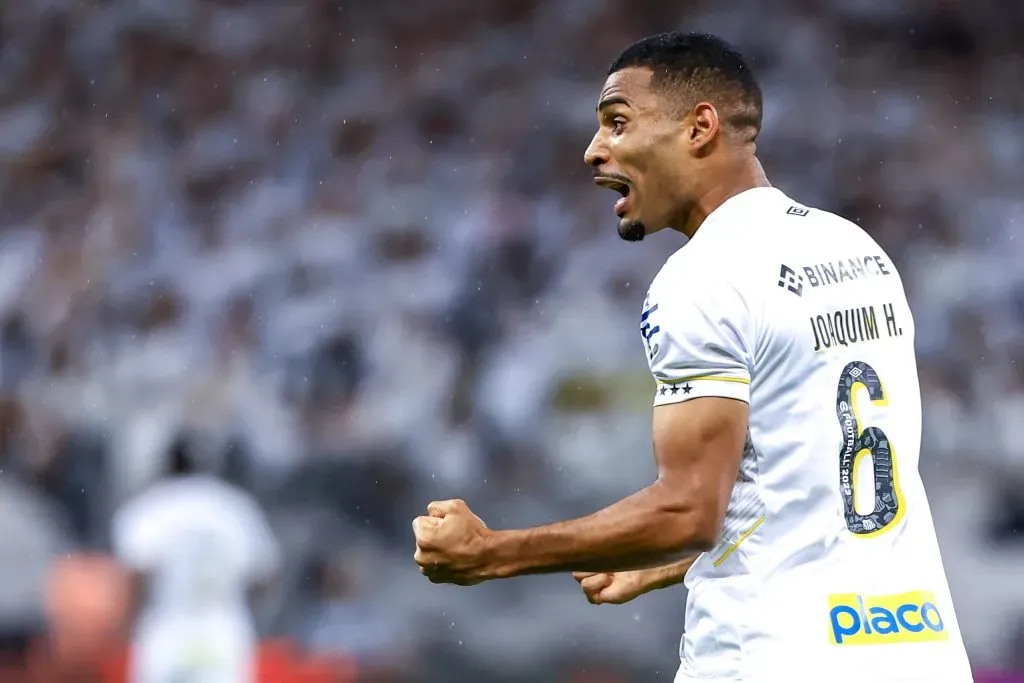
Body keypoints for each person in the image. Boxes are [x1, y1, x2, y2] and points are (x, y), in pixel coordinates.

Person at [411, 31, 974, 683]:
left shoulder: (703, 276)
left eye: (617, 122)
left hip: (771, 654)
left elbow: (689, 506)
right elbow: (824, 478)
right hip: (914, 649)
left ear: (699, 127)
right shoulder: (856, 250)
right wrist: (677, 558)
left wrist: (493, 553)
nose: (595, 150)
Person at [112, 435, 280, 683]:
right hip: (223, 626)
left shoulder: (150, 508)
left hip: (168, 625)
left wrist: (125, 625)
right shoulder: (235, 506)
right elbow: (265, 577)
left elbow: (137, 573)